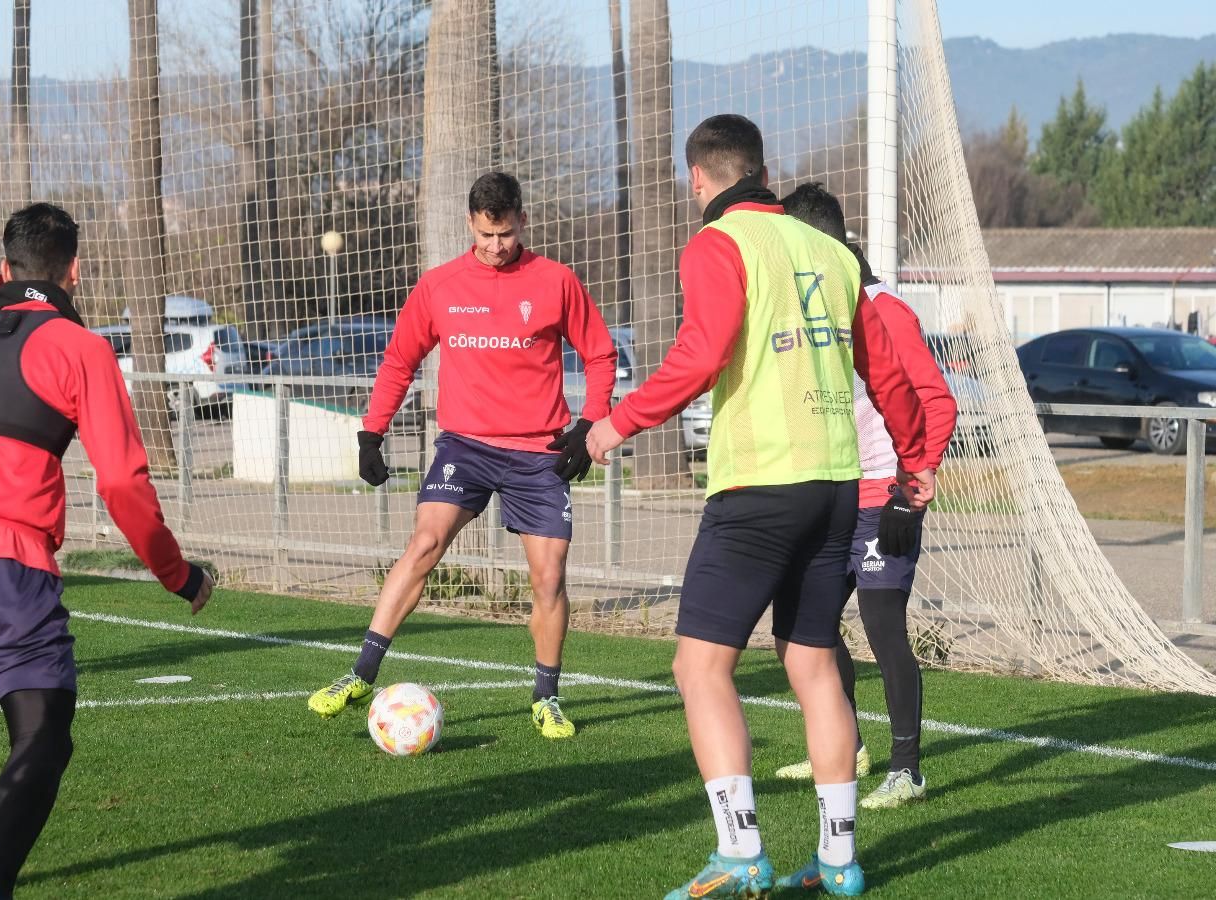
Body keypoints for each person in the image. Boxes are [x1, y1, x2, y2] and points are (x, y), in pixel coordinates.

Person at [585, 115, 933, 897]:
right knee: (811, 662)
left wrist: (613, 425)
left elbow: (701, 354)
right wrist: (914, 465)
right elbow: (885, 373)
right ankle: (839, 863)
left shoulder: (718, 243)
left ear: (698, 180)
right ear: (763, 172)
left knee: (700, 666)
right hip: (838, 488)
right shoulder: (831, 252)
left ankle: (740, 851)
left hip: (758, 488)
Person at [0, 202, 214, 900]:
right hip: (8, 565)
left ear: (4, 270)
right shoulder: (80, 347)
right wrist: (178, 574)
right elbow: (122, 483)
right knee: (43, 733)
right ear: (75, 270)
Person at [306, 171, 617, 740]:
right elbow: (400, 360)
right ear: (470, 224)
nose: (495, 247)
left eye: (505, 234)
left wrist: (588, 424)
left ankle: (546, 697)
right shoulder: (440, 286)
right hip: (465, 446)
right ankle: (360, 674)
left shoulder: (556, 282)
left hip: (536, 452)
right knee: (424, 544)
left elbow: (600, 356)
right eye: (485, 235)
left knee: (549, 578)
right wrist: (372, 433)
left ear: (522, 221)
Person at [772, 183, 957, 812]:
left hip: (885, 497)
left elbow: (936, 401)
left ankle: (907, 770)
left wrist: (912, 484)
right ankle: (845, 745)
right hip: (832, 494)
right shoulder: (816, 308)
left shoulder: (884, 309)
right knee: (806, 626)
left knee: (881, 626)